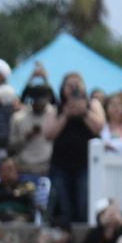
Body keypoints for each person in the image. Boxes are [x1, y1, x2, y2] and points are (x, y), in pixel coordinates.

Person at [45, 73, 104, 223]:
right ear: (62, 88)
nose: (73, 88)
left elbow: (99, 128)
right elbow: (49, 134)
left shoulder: (93, 104)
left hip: (86, 163)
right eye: (69, 85)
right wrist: (65, 115)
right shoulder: (55, 108)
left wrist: (84, 112)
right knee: (64, 203)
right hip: (61, 164)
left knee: (84, 201)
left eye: (77, 85)